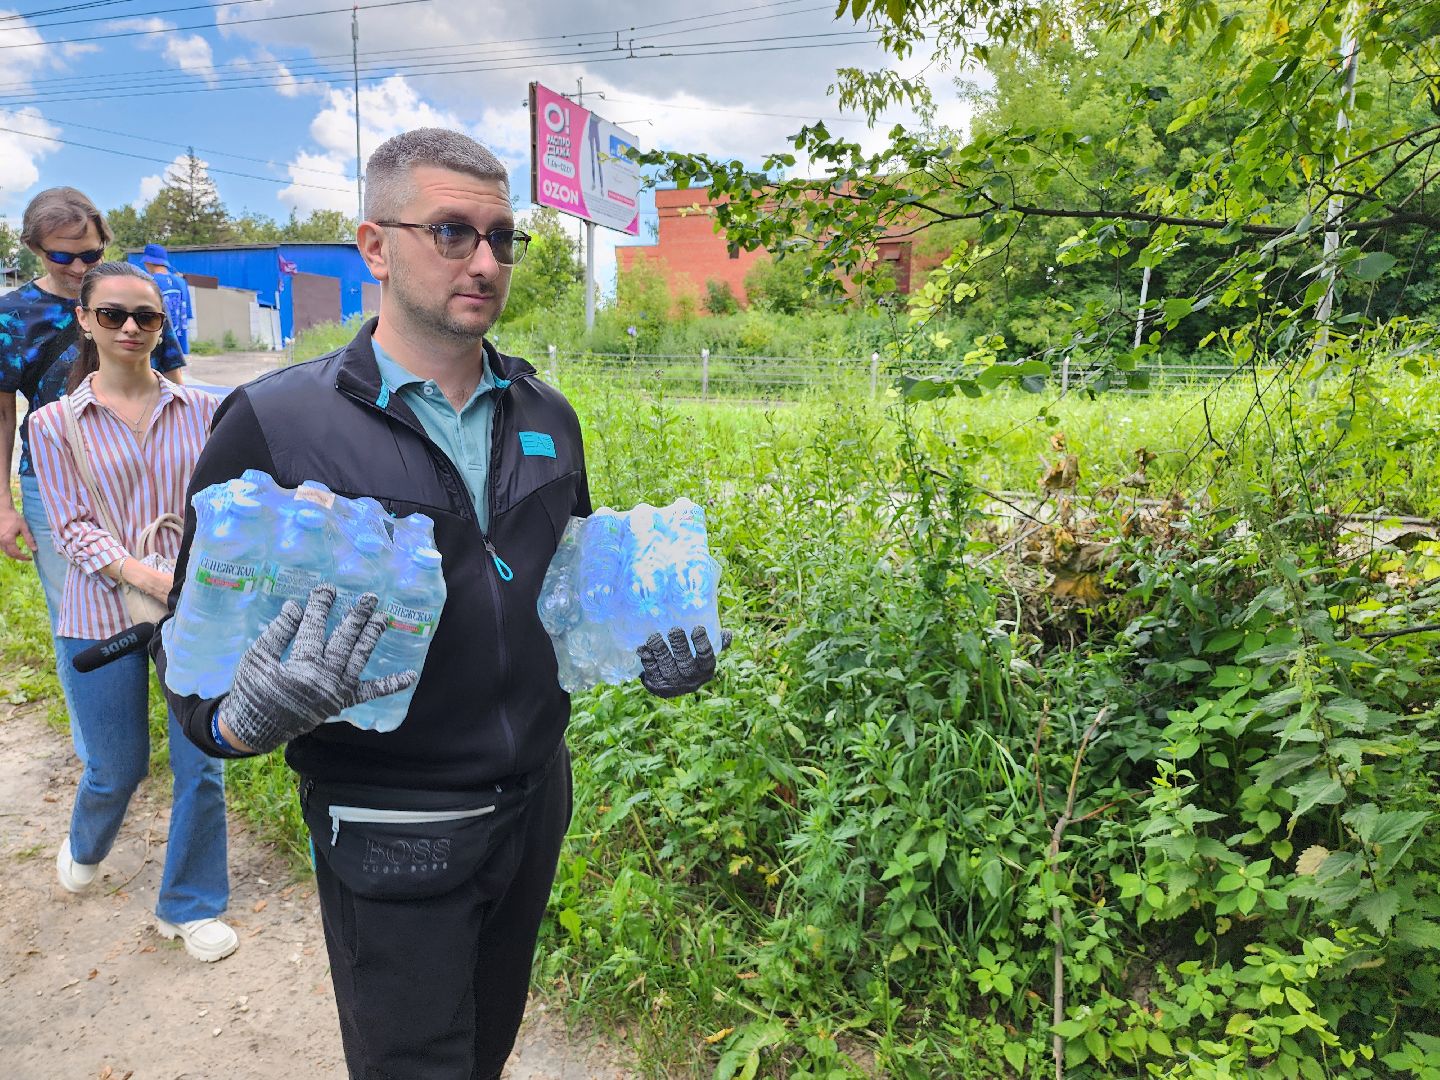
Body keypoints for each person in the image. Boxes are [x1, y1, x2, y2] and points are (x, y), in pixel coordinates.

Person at [154, 128, 725, 1079]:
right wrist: (233, 722)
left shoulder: (547, 415)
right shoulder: (277, 422)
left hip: (535, 796)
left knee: (488, 1045)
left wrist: (653, 639)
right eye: (452, 232)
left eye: (503, 237)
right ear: (375, 246)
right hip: (389, 819)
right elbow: (192, 636)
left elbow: (568, 588)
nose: (486, 261)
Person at [29, 261, 234, 962]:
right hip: (100, 610)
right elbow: (70, 528)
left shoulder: (203, 409)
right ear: (84, 320)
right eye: (112, 314)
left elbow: (231, 500)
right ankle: (86, 844)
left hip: (195, 613)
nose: (129, 328)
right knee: (116, 767)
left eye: (145, 317)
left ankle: (191, 905)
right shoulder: (54, 424)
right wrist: (146, 574)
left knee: (202, 762)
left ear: (161, 325)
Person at [0, 187, 187, 763]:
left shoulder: (131, 296)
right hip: (54, 478)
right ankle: (102, 745)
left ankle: (186, 715)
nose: (80, 266)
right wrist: (3, 504)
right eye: (63, 256)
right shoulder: (14, 315)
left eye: (91, 253)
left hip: (141, 467)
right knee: (79, 610)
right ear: (34, 249)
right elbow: (3, 412)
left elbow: (176, 381)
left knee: (169, 587)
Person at [141, 243, 194, 355]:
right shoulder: (181, 282)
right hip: (178, 345)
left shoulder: (148, 282)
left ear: (148, 262)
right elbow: (187, 314)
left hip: (157, 345)